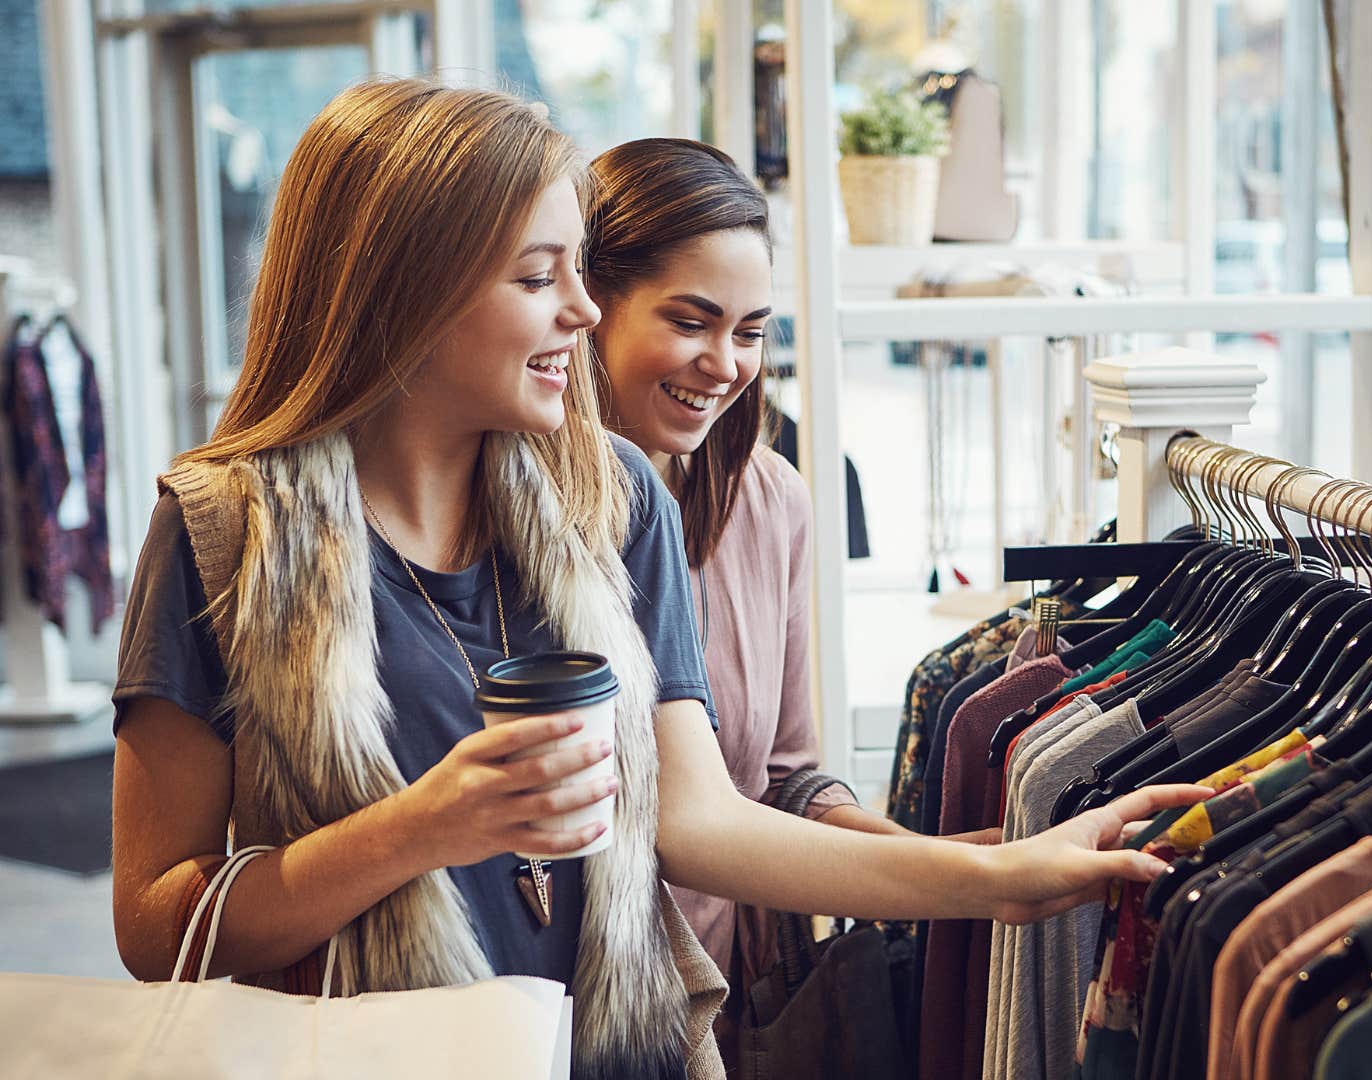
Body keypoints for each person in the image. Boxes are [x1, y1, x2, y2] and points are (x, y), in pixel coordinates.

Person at [109, 78, 1203, 1080]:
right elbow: (156, 930)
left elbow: (705, 822)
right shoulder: (223, 534)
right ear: (407, 290)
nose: (582, 313)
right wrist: (421, 829)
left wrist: (1006, 882)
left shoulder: (613, 499)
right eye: (540, 277)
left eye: (579, 272)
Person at [583, 137, 946, 1018]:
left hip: (713, 1004)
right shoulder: (505, 512)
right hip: (545, 1007)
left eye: (749, 332)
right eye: (689, 320)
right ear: (589, 305)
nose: (725, 365)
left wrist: (930, 854)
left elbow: (786, 777)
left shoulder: (769, 500)